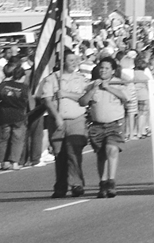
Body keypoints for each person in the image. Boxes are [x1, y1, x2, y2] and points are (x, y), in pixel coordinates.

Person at [79, 57, 128, 198]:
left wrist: (109, 87)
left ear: (113, 70)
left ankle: (111, 182)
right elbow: (82, 102)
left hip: (114, 124)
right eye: (101, 68)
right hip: (97, 126)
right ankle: (103, 182)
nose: (103, 70)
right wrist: (92, 90)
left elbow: (125, 98)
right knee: (101, 155)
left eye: (107, 68)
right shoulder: (92, 85)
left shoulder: (119, 84)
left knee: (111, 149)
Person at [42, 52, 89, 198]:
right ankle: (61, 186)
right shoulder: (52, 79)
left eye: (76, 60)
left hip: (76, 119)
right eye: (71, 60)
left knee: (74, 153)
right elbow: (47, 100)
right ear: (62, 62)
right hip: (57, 121)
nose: (74, 62)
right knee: (60, 154)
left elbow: (85, 98)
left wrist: (66, 94)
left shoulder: (81, 79)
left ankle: (77, 184)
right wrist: (56, 116)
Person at [0, 61, 29, 170]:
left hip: (4, 115)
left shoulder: (3, 85)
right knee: (17, 139)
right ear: (22, 76)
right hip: (18, 115)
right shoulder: (24, 88)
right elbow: (28, 102)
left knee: (4, 139)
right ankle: (14, 162)